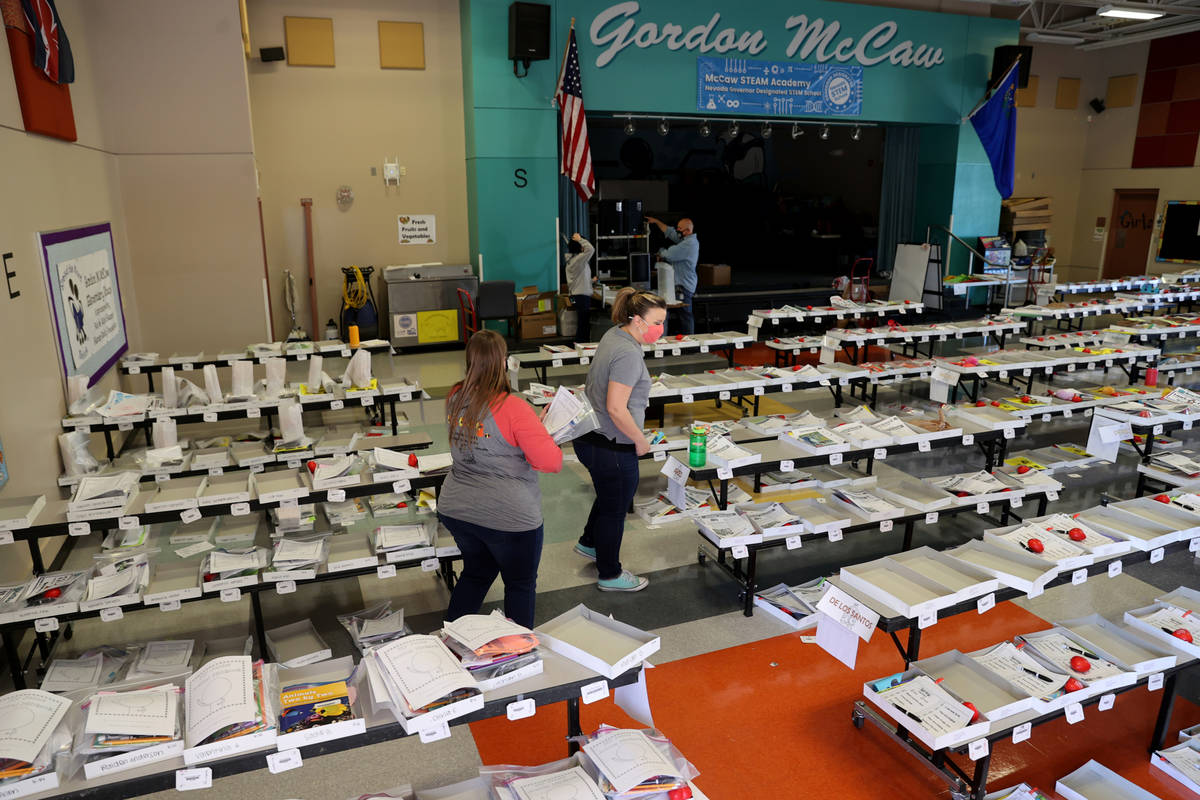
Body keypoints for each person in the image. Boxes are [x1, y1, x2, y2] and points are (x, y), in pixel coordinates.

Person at [437, 330, 563, 628]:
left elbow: (489, 435)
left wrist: (532, 428)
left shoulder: (455, 397)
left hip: (458, 508)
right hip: (509, 517)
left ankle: (451, 638)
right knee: (519, 584)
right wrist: (539, 431)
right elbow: (551, 462)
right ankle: (518, 649)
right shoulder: (513, 407)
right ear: (503, 361)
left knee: (476, 572)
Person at [573, 287, 667, 592]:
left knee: (608, 494)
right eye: (657, 323)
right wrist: (639, 439)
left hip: (591, 437)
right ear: (638, 321)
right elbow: (616, 407)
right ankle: (610, 574)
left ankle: (590, 542)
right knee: (615, 509)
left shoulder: (614, 334)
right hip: (612, 445)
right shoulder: (628, 353)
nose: (661, 329)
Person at [646, 216, 699, 334]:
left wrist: (661, 251)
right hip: (680, 285)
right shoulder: (685, 240)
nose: (677, 230)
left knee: (685, 316)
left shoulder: (689, 244)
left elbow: (669, 254)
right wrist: (657, 221)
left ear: (687, 231)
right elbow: (671, 233)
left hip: (683, 287)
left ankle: (689, 340)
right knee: (679, 314)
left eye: (680, 228)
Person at [564, 232, 595, 344]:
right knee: (583, 325)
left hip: (576, 296)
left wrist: (591, 281)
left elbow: (577, 279)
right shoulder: (578, 260)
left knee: (582, 323)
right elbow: (591, 249)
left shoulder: (572, 260)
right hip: (581, 296)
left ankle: (580, 344)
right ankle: (580, 345)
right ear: (580, 247)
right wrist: (580, 239)